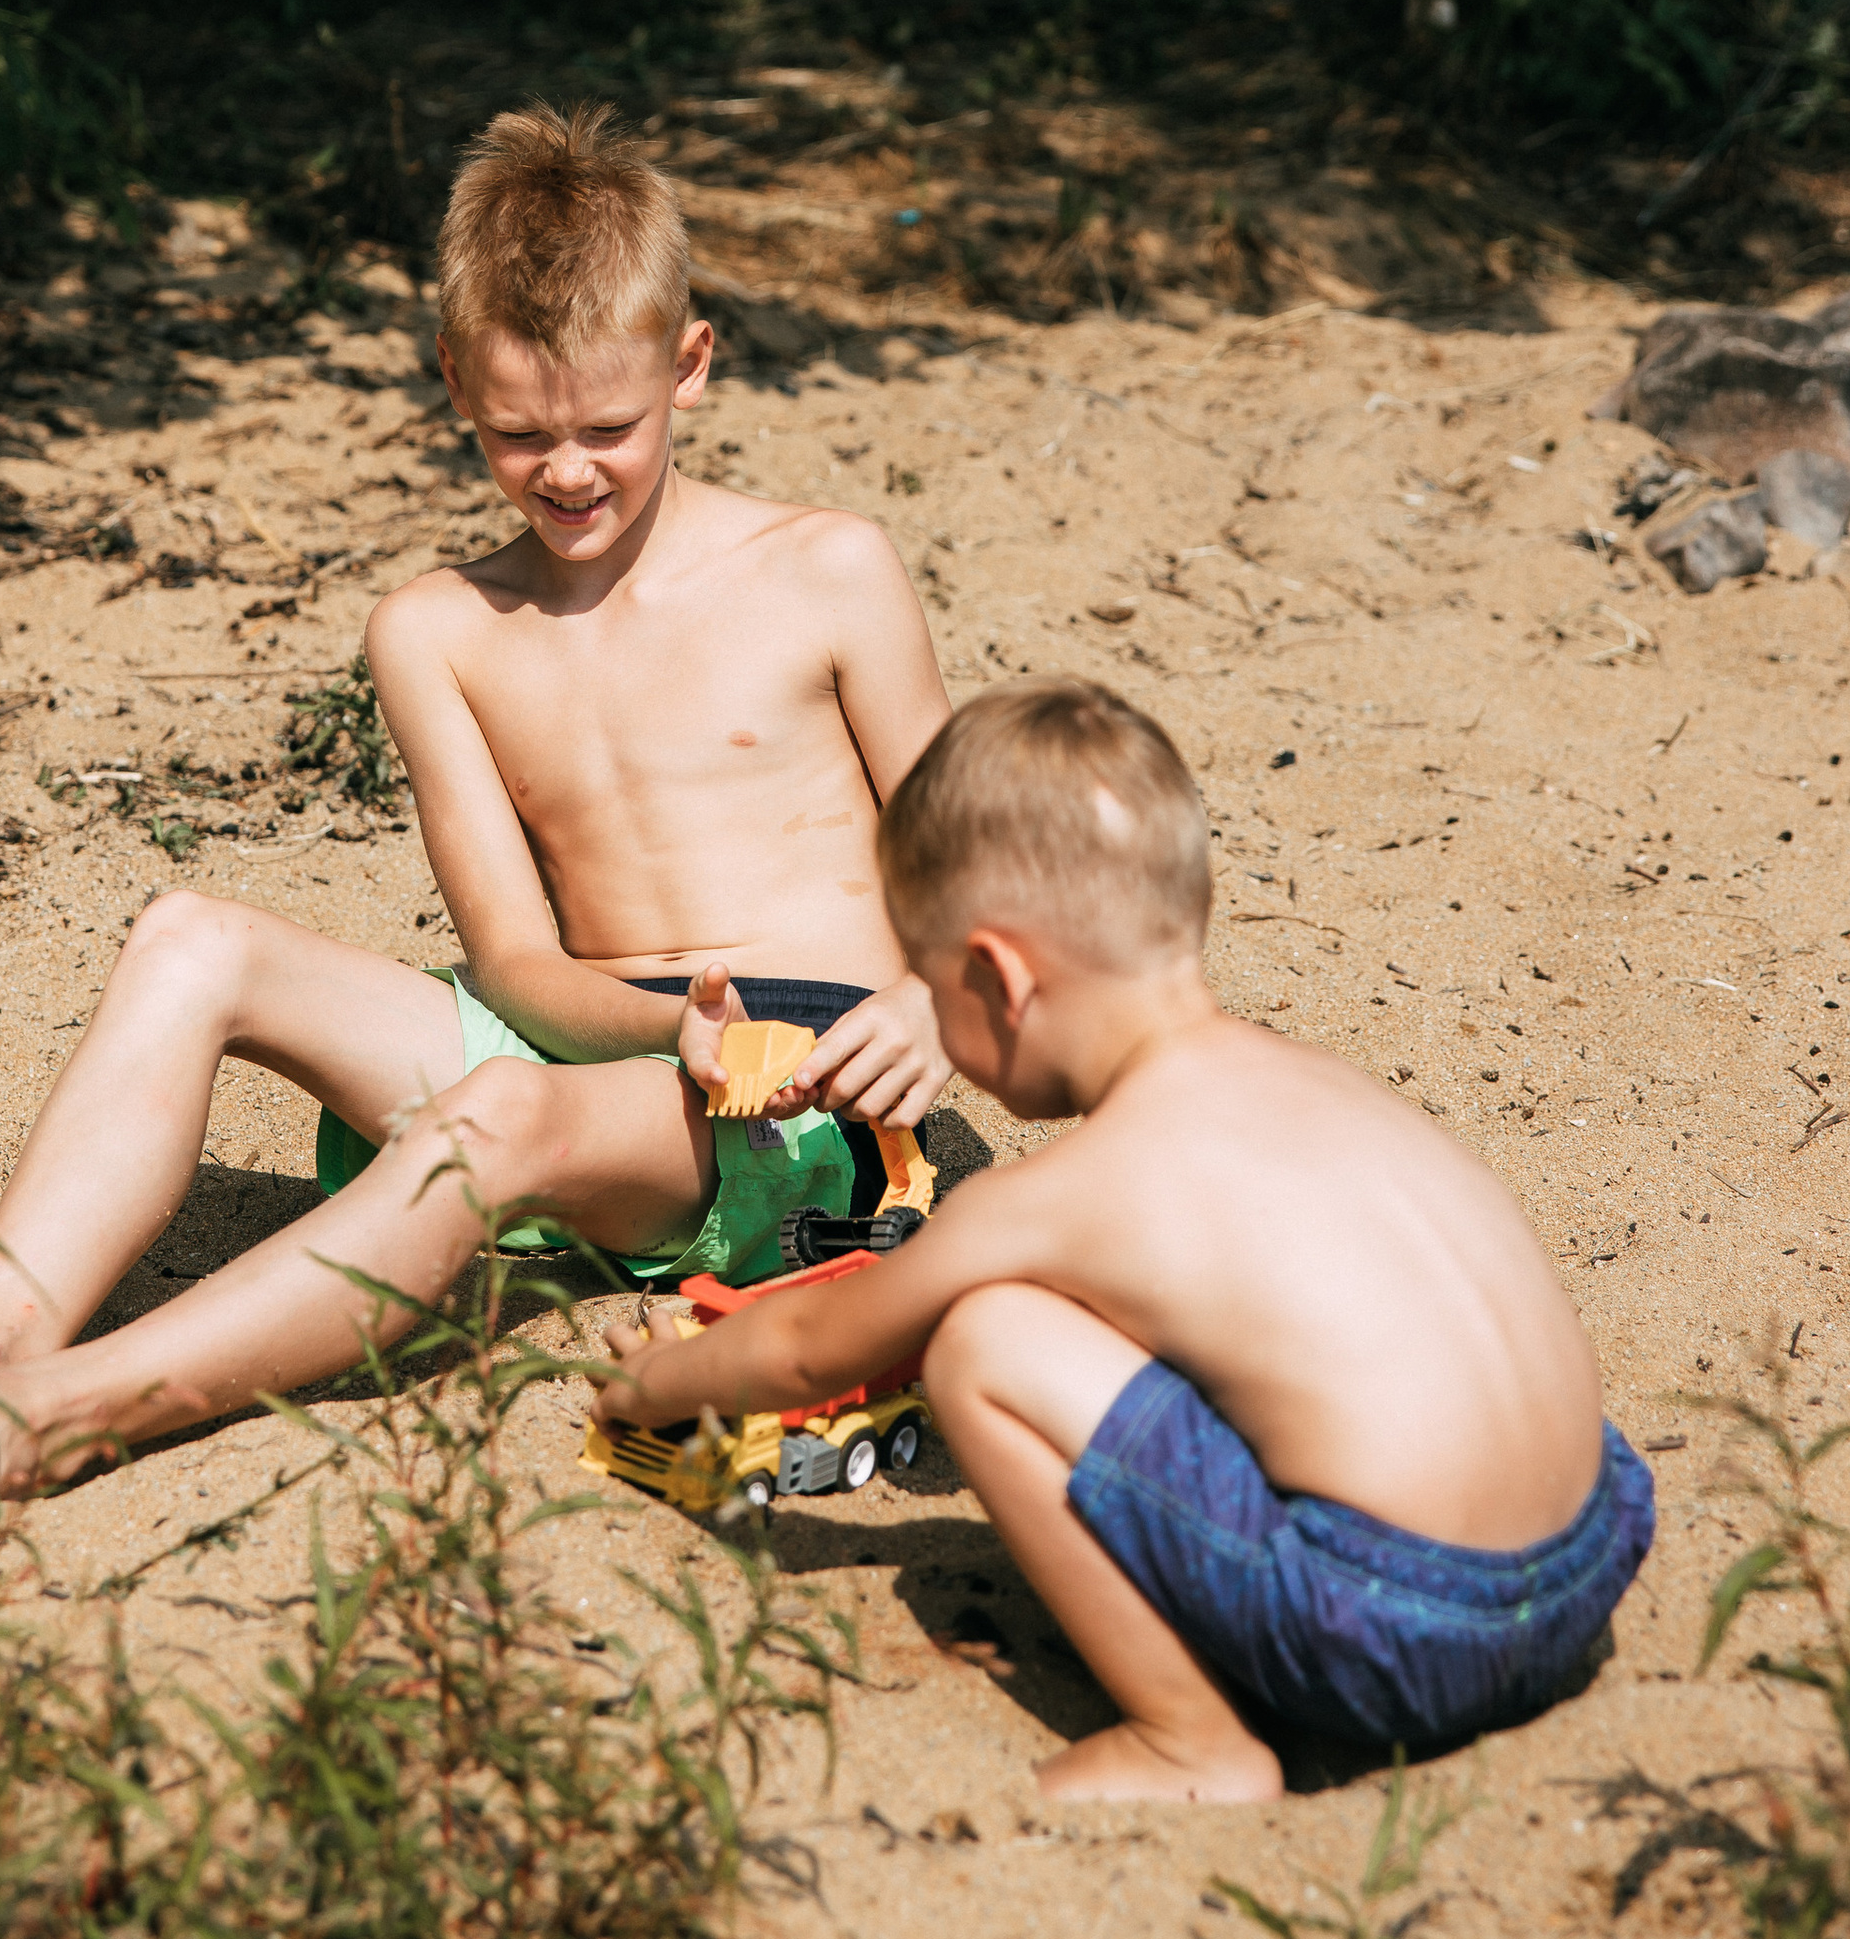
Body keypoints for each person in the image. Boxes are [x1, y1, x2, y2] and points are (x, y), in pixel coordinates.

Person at [0, 101, 953, 1486]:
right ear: (455, 383)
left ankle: (63, 1421)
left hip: (811, 1089)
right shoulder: (437, 631)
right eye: (520, 437)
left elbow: (982, 874)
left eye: (609, 429)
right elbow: (516, 962)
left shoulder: (828, 571)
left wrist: (918, 1009)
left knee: (506, 1110)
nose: (566, 471)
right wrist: (665, 1027)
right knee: (193, 939)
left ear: (689, 364)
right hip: (607, 1039)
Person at [589, 678, 1656, 1800]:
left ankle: (1190, 1743)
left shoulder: (1070, 1192)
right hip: (1595, 1544)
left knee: (984, 1344)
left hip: (1410, 1628)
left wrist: (657, 1386)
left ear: (998, 980)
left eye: (934, 990)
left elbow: (808, 1348)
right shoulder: (1326, 1088)